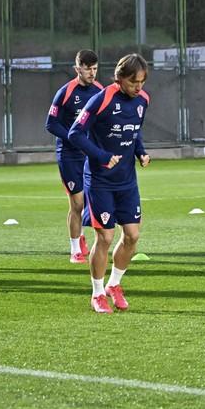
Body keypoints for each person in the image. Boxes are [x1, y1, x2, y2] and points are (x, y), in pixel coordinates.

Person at [68, 54, 150, 314]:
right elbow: (75, 133)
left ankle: (115, 284)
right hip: (100, 180)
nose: (138, 87)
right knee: (105, 236)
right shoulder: (101, 99)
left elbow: (134, 132)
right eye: (133, 82)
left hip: (127, 181)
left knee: (133, 236)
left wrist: (141, 152)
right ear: (119, 78)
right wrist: (102, 157)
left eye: (142, 82)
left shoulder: (143, 101)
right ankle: (97, 293)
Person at [46, 49, 103, 262]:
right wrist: (74, 137)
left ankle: (84, 238)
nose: (92, 73)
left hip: (90, 155)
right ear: (77, 68)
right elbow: (50, 123)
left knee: (92, 200)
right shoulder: (65, 92)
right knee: (77, 203)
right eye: (88, 69)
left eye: (95, 69)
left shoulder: (100, 91)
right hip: (68, 155)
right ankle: (75, 249)